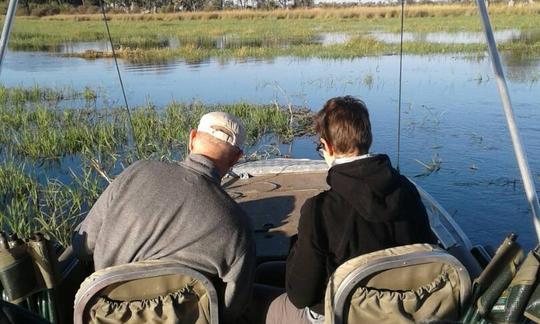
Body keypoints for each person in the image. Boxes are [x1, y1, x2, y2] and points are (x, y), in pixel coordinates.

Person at [72, 111, 256, 324]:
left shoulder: (136, 171)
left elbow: (81, 247)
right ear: (236, 158)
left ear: (192, 138)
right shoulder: (238, 224)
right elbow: (231, 309)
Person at [266, 96, 436, 324]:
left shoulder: (319, 210)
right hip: (401, 309)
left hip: (341, 315)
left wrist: (296, 247)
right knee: (268, 270)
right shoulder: (407, 190)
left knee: (265, 302)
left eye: (320, 147)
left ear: (328, 147)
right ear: (368, 139)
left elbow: (300, 296)